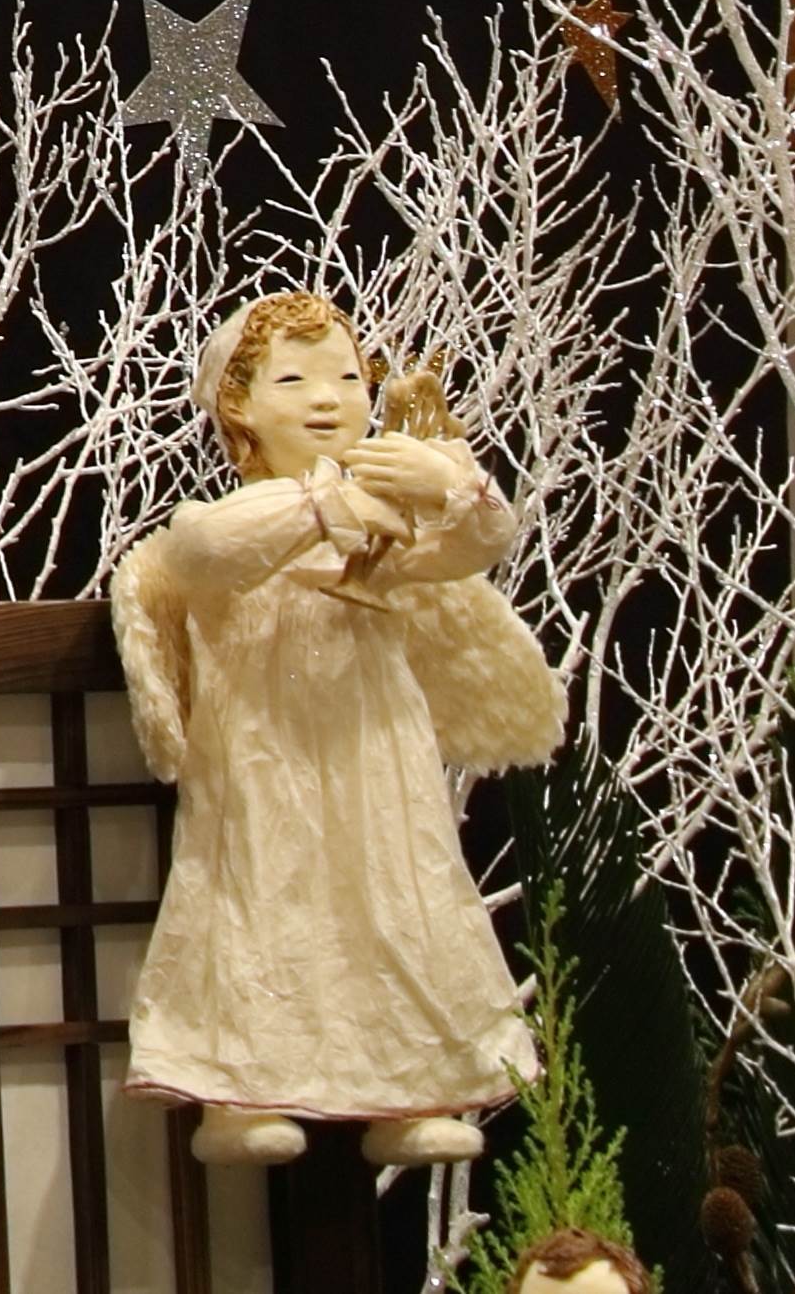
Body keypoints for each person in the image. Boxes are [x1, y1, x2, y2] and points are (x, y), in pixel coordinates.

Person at [111, 290, 558, 1169]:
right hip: (261, 752)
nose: (327, 399)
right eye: (292, 381)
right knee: (256, 904)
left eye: (348, 379)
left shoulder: (384, 524)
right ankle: (234, 1093)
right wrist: (327, 501)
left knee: (396, 899)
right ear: (237, 405)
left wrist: (453, 486)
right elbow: (203, 554)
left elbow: (470, 548)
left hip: (375, 748)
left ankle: (411, 1091)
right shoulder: (232, 519)